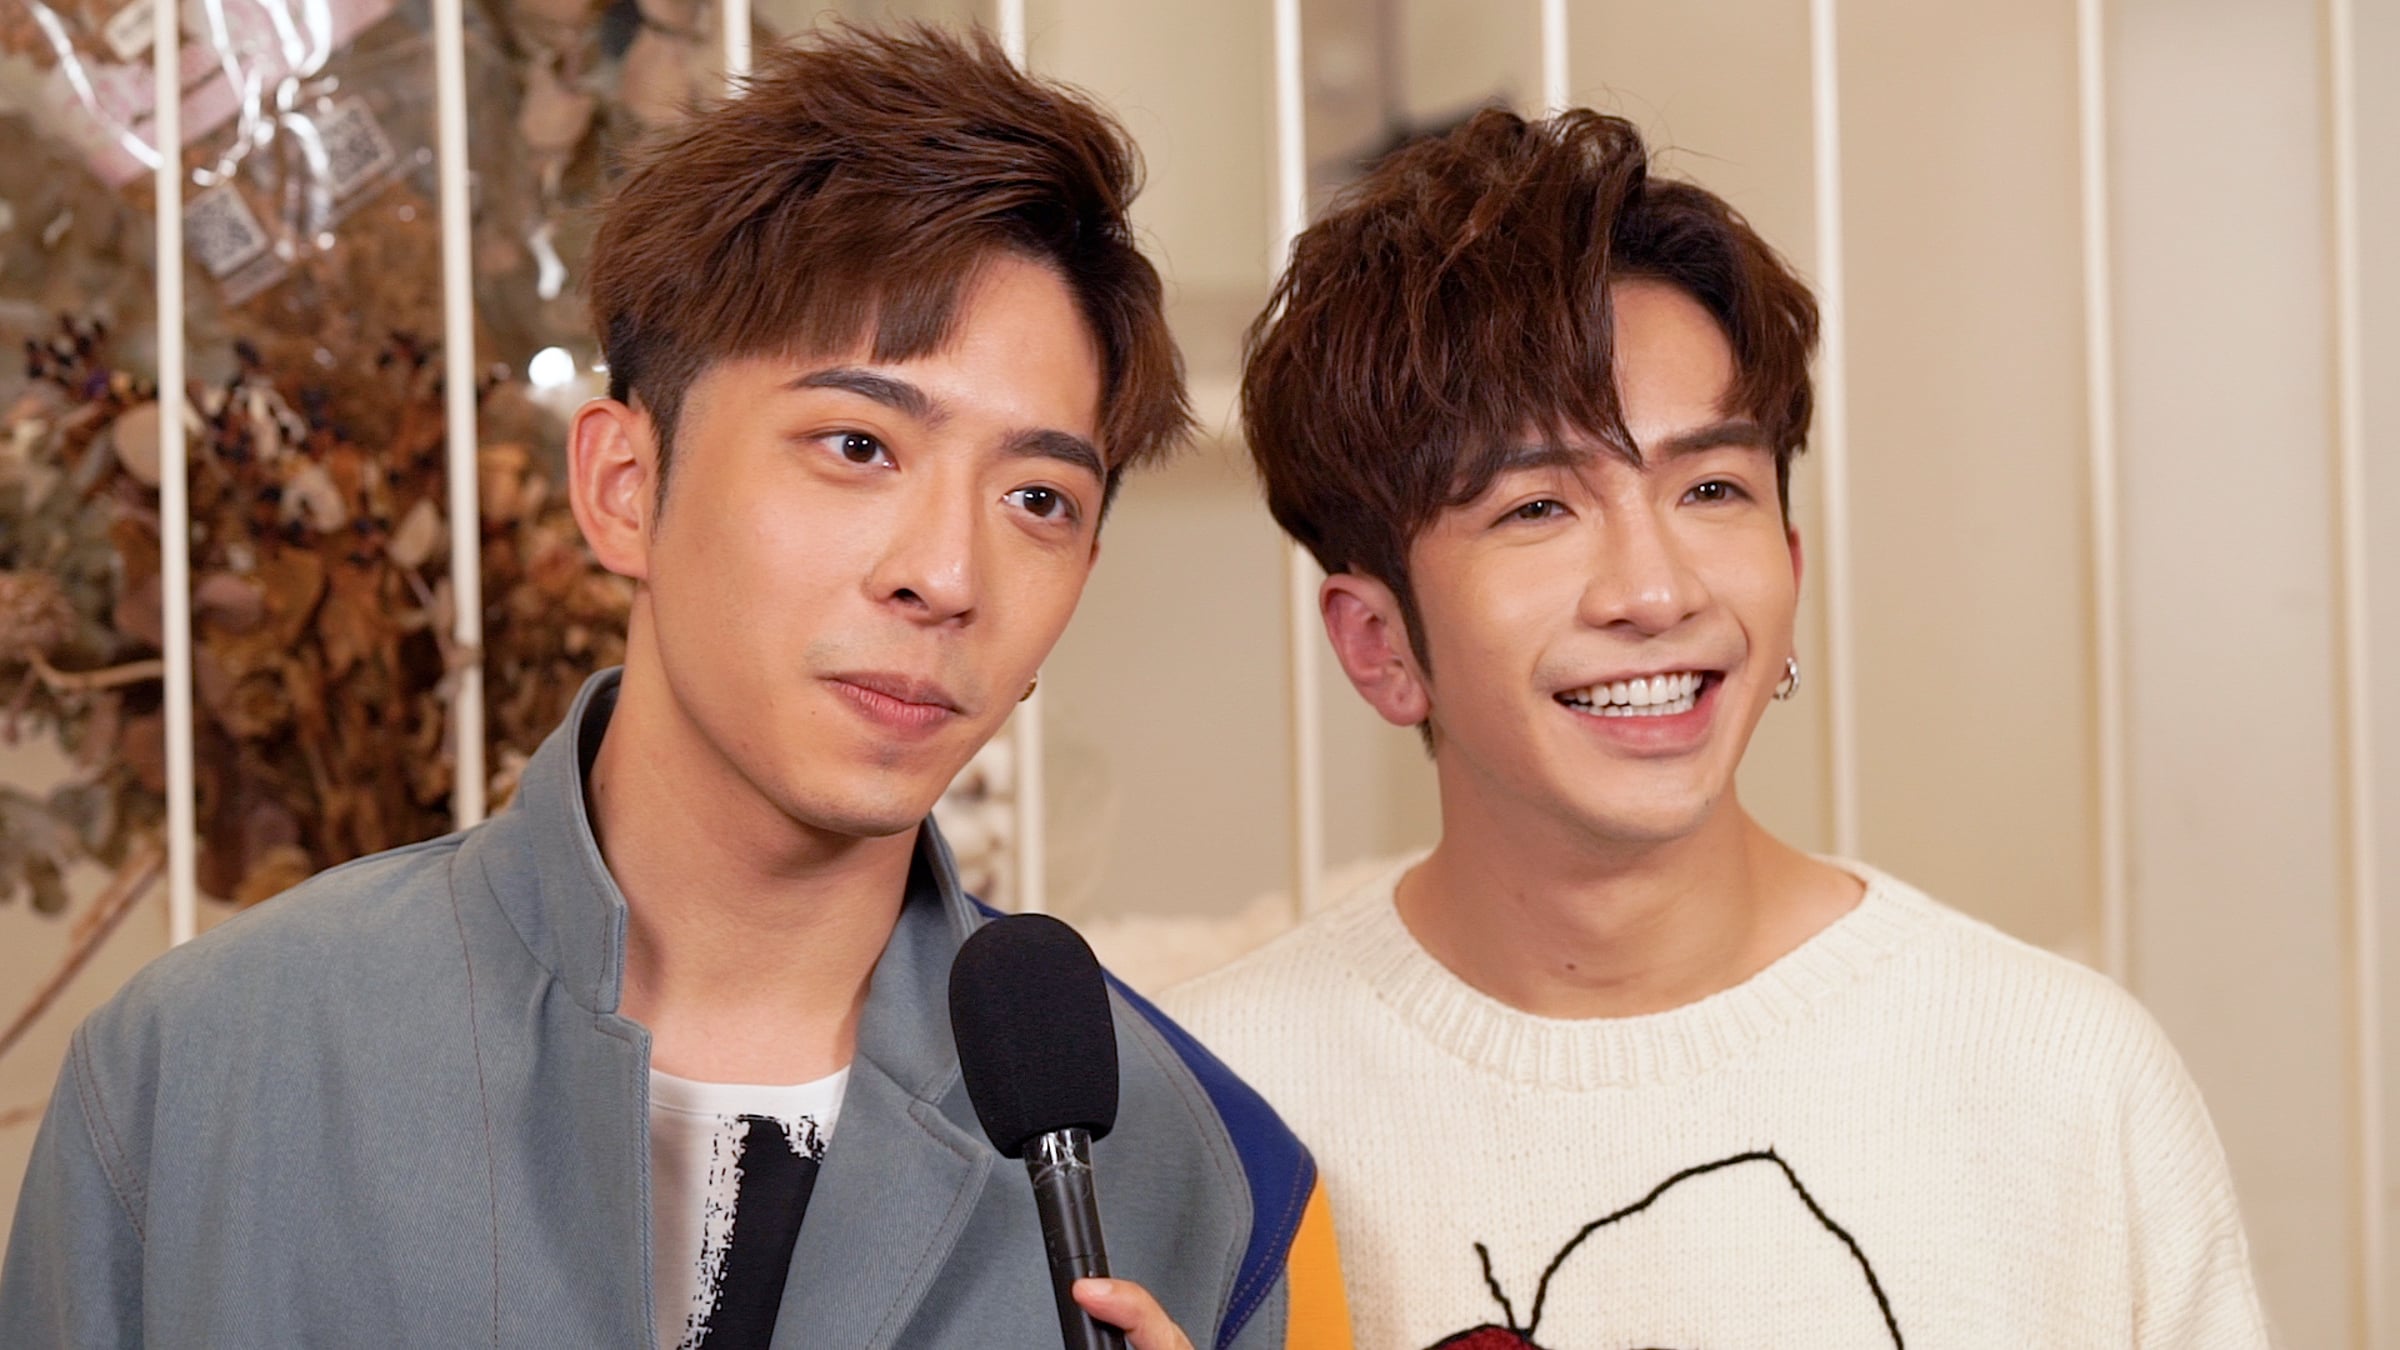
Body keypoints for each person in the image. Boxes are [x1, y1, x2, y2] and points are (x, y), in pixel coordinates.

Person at [0, 25, 1348, 1350]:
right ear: (624, 486)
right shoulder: (202, 1073)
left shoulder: (1190, 1170)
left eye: (1039, 498)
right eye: (857, 444)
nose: (946, 575)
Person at [1164, 107, 2271, 1348]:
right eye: (1536, 508)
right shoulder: (1207, 1112)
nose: (1656, 591)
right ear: (1379, 644)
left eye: (1710, 488)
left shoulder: (2061, 1078)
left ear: (1789, 563)